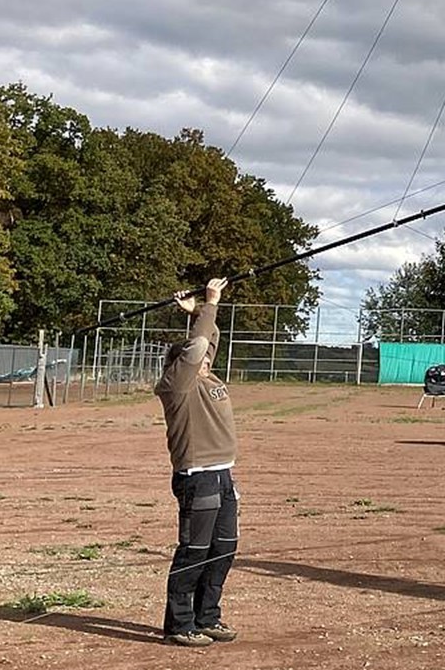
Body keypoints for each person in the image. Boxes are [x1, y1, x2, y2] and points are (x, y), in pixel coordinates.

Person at [155, 277, 240, 647]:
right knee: (194, 552)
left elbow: (209, 339)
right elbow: (200, 345)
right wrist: (211, 301)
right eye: (198, 359)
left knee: (224, 548)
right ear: (182, 364)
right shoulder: (178, 386)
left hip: (223, 474)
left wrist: (198, 313)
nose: (206, 360)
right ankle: (179, 624)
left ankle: (208, 617)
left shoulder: (207, 378)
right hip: (197, 477)